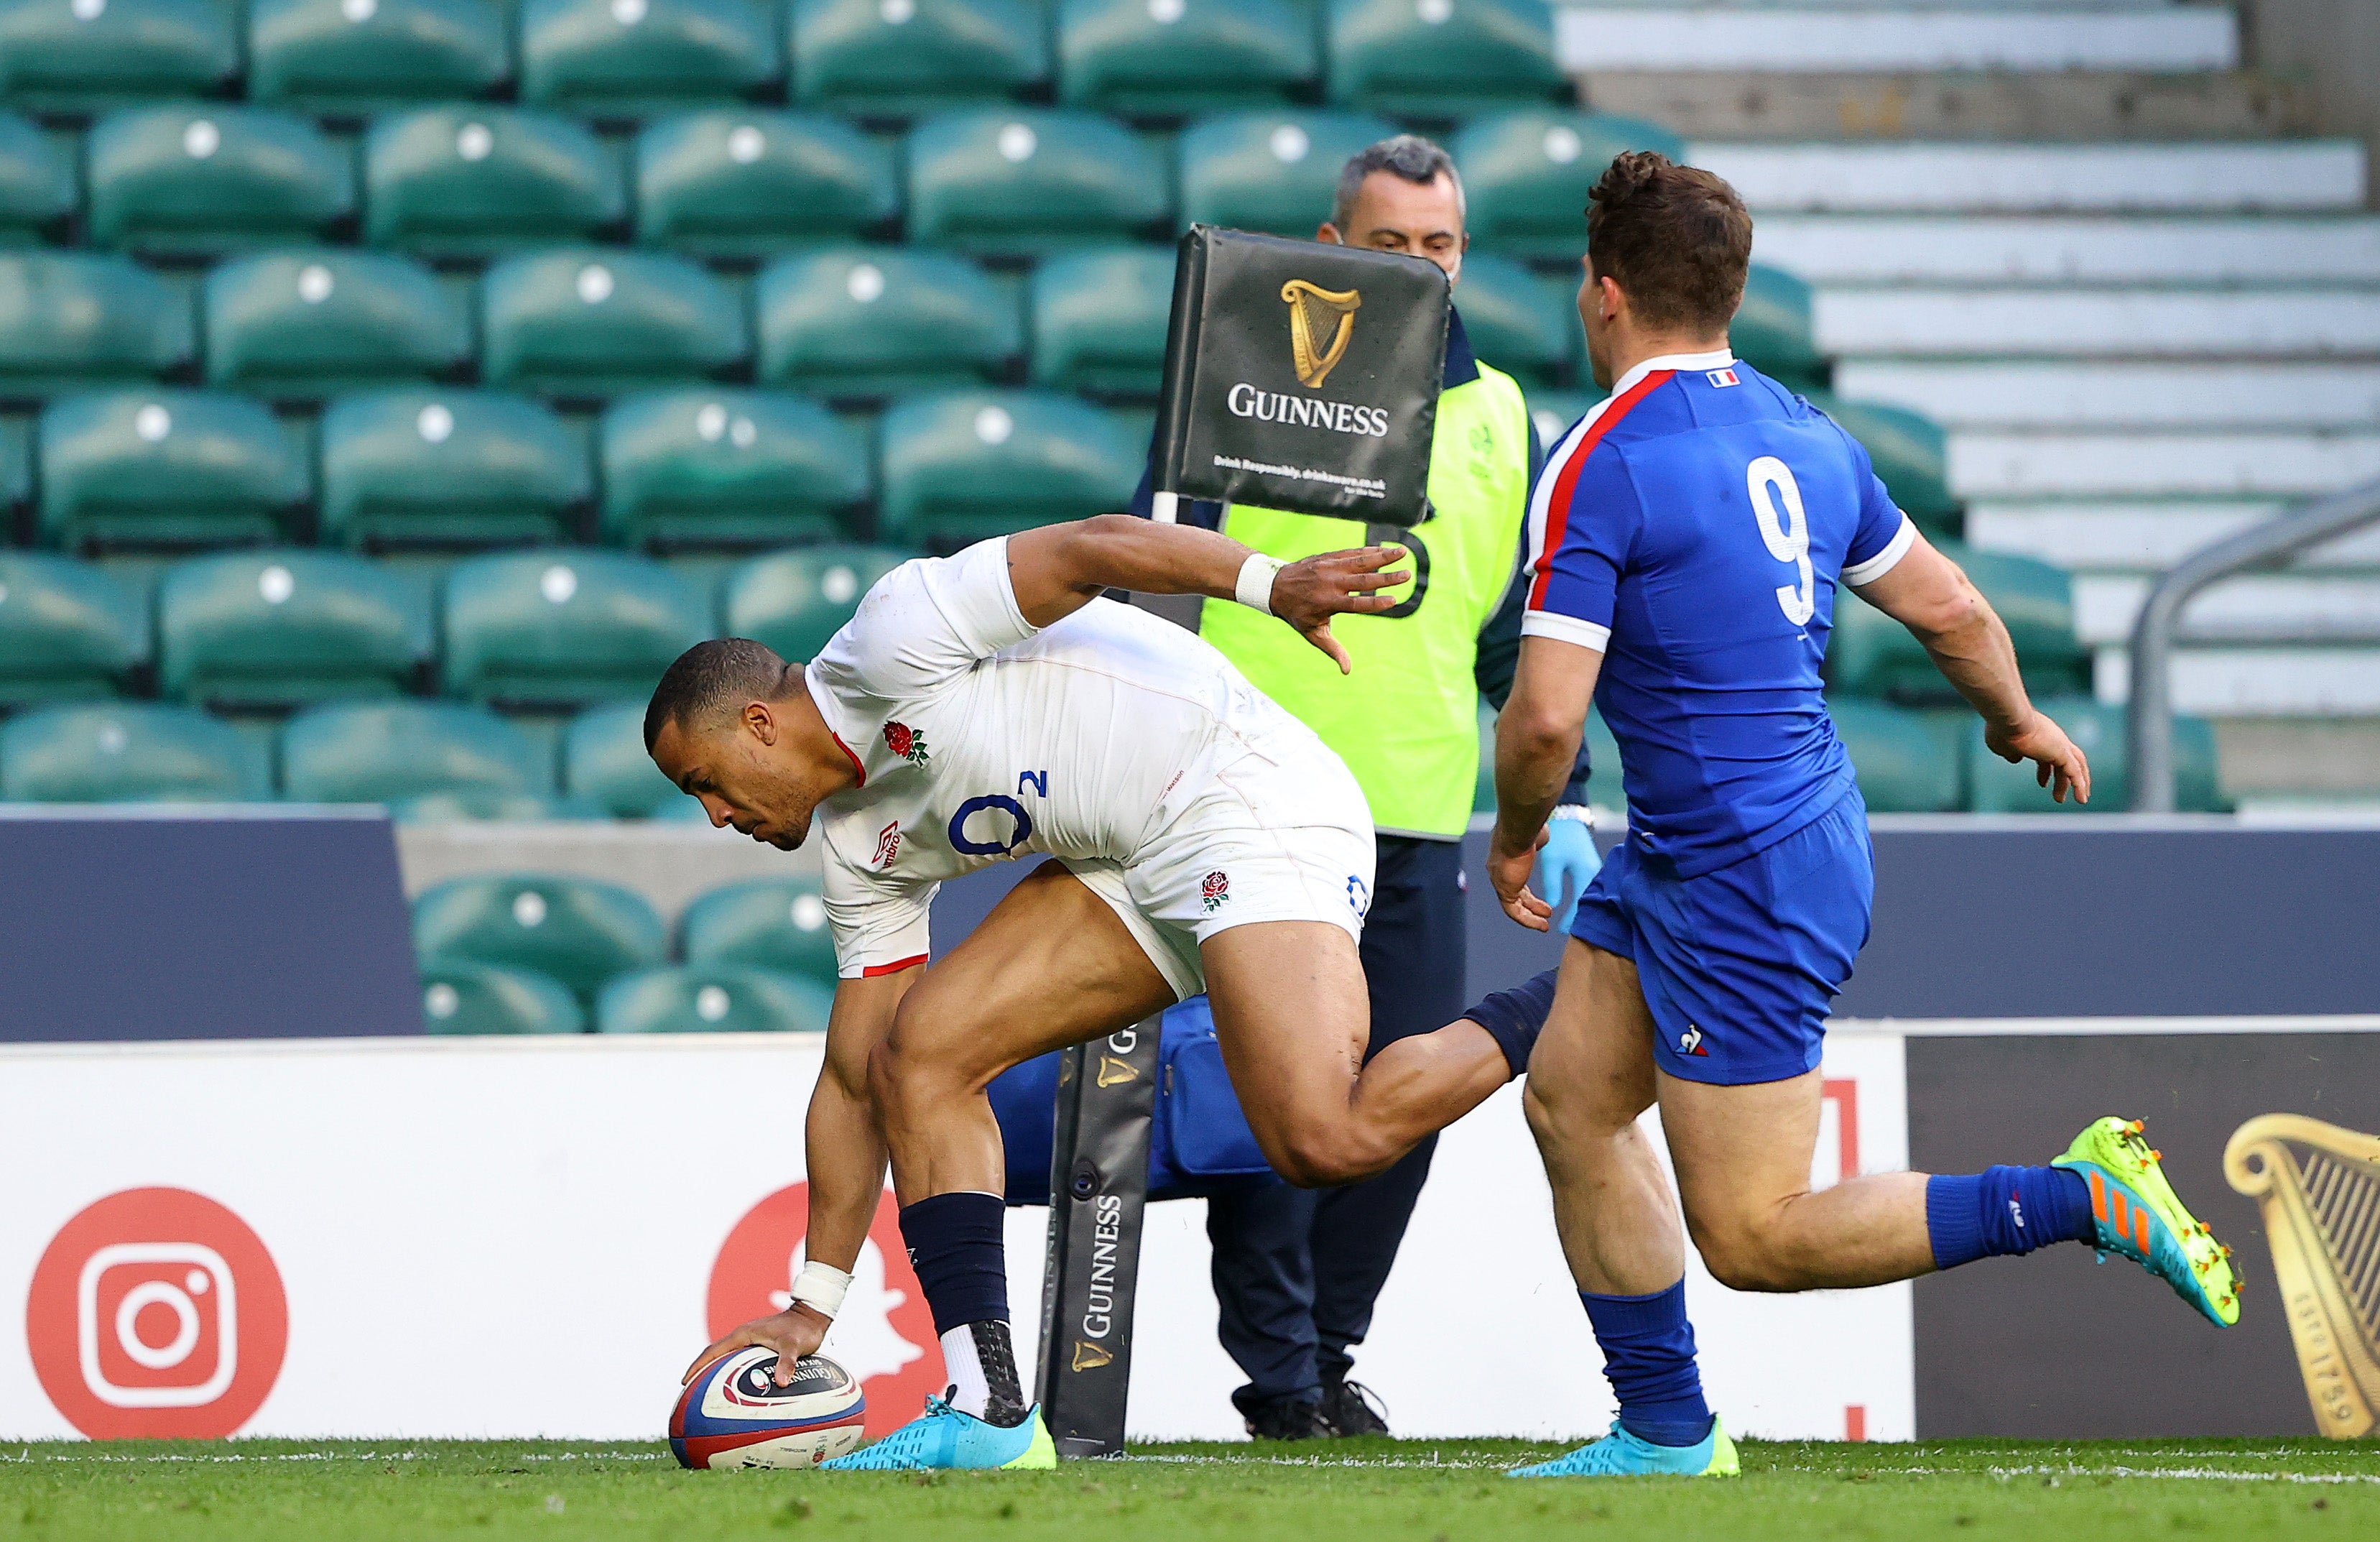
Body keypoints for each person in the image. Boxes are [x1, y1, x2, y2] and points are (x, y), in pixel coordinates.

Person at [1483, 152, 2242, 1479]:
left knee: (1756, 1234)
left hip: (1741, 868)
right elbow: (1950, 607)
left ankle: (2078, 1195)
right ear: (1729, 291)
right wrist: (2014, 716)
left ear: (1601, 295)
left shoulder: (1598, 456)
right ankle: (1664, 1429)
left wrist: (1510, 834)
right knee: (1568, 1100)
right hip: (1718, 841)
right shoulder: (1806, 431)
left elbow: (1547, 718)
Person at [647, 516, 1564, 1471]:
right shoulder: (853, 846)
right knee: (915, 1058)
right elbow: (848, 1084)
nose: (715, 814)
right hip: (1127, 861)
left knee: (1321, 1139)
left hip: (1242, 793)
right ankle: (988, 1408)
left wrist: (1267, 584)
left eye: (704, 781)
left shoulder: (894, 635)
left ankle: (1575, 992)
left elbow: (1090, 547)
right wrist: (813, 1302)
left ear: (758, 724)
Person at [1128, 132, 1601, 1441]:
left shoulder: (1506, 415)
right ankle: (1278, 1381)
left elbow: (1510, 629)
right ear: (1333, 253)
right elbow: (1144, 570)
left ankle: (1330, 1355)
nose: (1418, 267)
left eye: (1438, 245)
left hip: (1418, 813)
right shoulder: (1238, 385)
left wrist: (1557, 791)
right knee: (1275, 1102)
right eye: (1388, 246)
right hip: (1250, 809)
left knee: (1405, 1104)